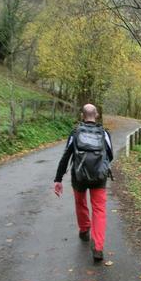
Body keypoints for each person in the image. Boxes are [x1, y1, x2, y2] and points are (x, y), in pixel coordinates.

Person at [53, 104, 113, 261]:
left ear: (82, 115)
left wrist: (58, 179)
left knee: (80, 203)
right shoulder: (104, 134)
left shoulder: (75, 133)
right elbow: (110, 155)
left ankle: (85, 229)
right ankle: (98, 247)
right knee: (99, 210)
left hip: (78, 176)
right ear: (97, 115)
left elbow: (66, 157)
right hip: (99, 177)